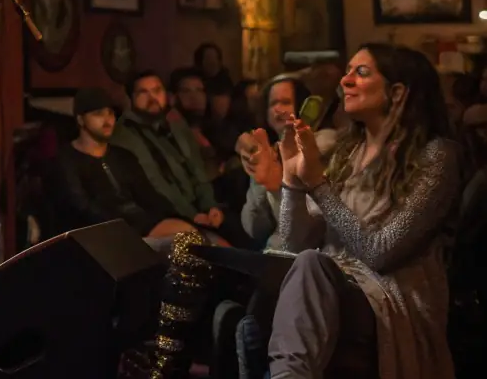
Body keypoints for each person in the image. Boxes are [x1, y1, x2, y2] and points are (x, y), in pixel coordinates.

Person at [267, 44, 459, 379]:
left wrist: (319, 185)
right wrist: (292, 179)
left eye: (362, 72)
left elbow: (380, 252)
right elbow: (293, 244)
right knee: (244, 302)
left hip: (391, 301)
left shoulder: (436, 157)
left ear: (397, 92)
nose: (345, 81)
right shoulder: (347, 154)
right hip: (331, 290)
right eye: (348, 71)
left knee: (312, 265)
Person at [48, 88, 197, 239]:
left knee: (192, 236)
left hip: (141, 227)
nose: (107, 120)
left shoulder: (123, 156)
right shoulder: (66, 160)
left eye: (110, 113)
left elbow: (150, 196)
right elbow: (81, 208)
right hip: (100, 236)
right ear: (81, 120)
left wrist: (178, 218)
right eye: (98, 114)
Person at [112, 70, 239, 245]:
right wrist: (191, 215)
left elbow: (197, 170)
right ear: (131, 98)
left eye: (157, 90)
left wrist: (210, 206)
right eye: (143, 92)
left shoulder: (175, 124)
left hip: (199, 211)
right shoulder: (125, 134)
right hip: (164, 217)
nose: (152, 98)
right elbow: (155, 183)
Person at [238, 74, 338, 249]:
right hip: (274, 253)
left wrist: (276, 185)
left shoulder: (322, 144)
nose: (278, 109)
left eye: (285, 102)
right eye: (272, 103)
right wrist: (260, 182)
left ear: (302, 106)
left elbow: (305, 233)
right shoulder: (266, 149)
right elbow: (254, 229)